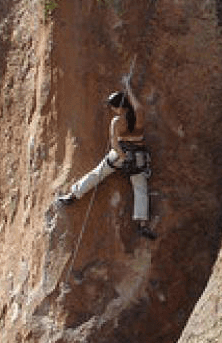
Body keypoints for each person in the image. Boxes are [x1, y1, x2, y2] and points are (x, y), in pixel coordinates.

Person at [58, 81, 156, 239]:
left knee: (98, 174)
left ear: (118, 107)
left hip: (120, 155)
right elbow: (137, 105)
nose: (112, 110)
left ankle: (72, 196)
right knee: (140, 189)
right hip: (139, 157)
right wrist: (128, 88)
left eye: (113, 107)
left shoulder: (116, 122)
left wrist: (125, 159)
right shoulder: (139, 114)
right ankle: (142, 225)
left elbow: (115, 144)